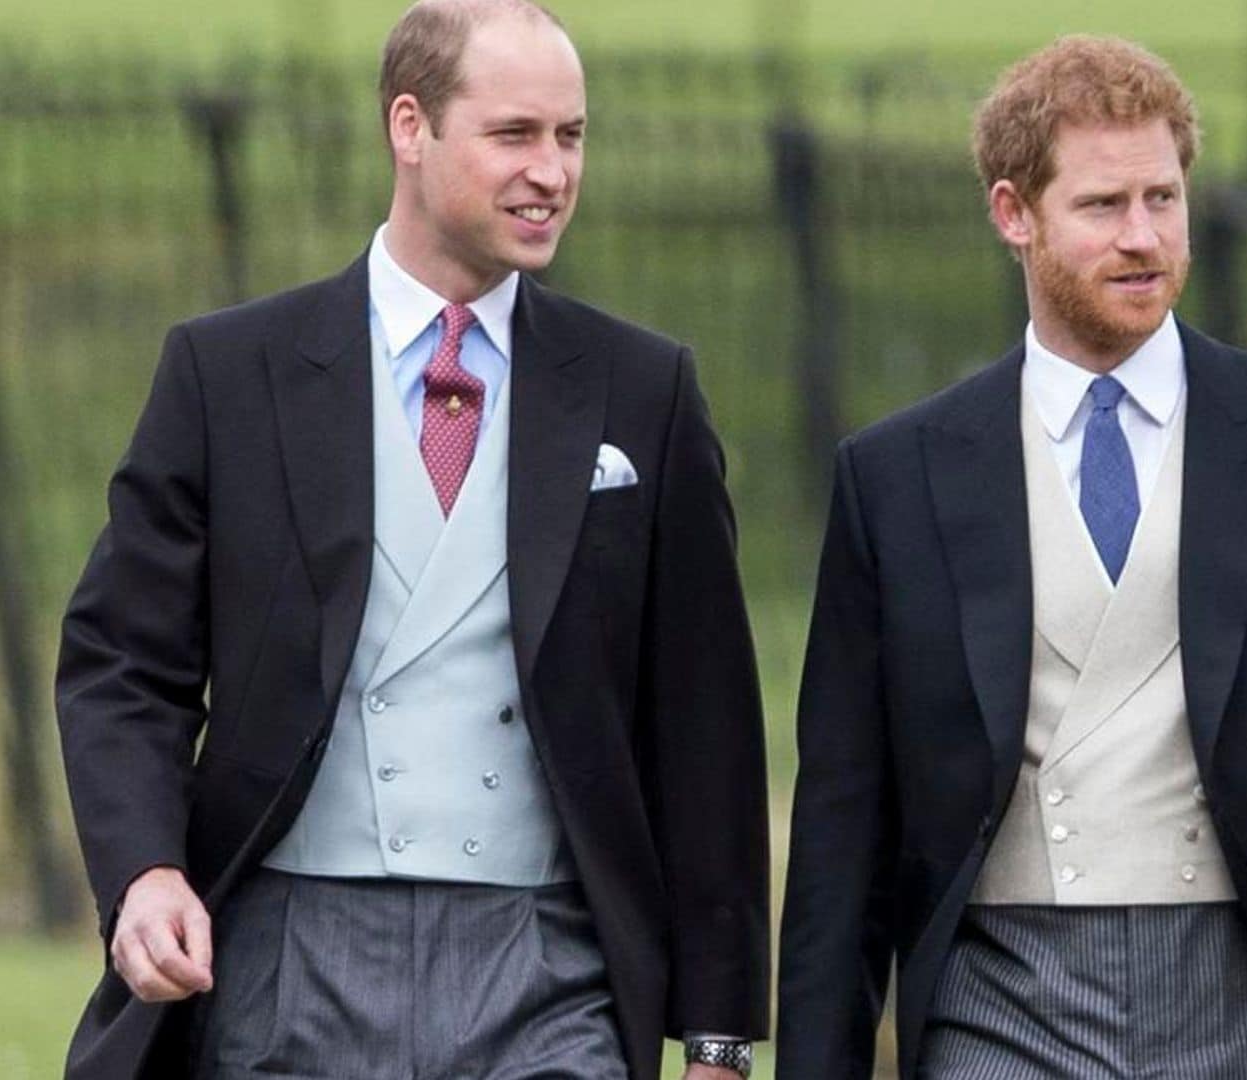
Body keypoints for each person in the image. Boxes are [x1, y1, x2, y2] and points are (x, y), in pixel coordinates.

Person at [55, 2, 768, 1077]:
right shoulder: (228, 374)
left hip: (550, 969)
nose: (553, 171)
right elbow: (122, 663)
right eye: (515, 134)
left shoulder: (643, 390)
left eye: (571, 136)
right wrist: (146, 870)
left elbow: (704, 724)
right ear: (409, 126)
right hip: (289, 957)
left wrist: (717, 1034)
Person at [776, 34, 1247, 1080]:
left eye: (1164, 198)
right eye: (1104, 206)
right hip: (997, 997)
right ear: (1014, 214)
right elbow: (844, 810)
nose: (1144, 237)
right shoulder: (899, 475)